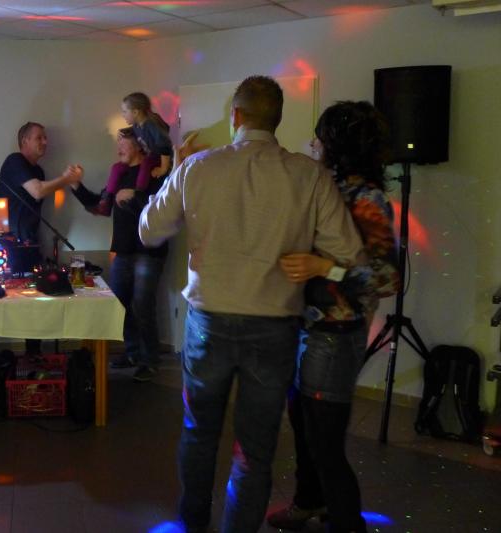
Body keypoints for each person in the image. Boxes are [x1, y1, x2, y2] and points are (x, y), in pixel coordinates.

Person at [137, 75, 365, 533]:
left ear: (236, 115)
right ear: (276, 119)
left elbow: (149, 230)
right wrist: (319, 263)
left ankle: (193, 523)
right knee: (255, 450)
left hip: (208, 323)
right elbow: (351, 255)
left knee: (199, 432)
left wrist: (176, 172)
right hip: (275, 327)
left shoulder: (198, 167)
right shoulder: (309, 174)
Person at [267, 101, 401, 533]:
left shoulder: (367, 198)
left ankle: (346, 523)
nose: (312, 144)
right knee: (304, 429)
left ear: (338, 145)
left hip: (336, 334)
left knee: (325, 443)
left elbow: (387, 278)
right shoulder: (328, 187)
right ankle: (309, 503)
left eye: (320, 137)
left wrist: (326, 267)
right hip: (307, 326)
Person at [0, 122, 81, 374]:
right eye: (39, 137)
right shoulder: (14, 161)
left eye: (45, 137)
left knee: (35, 299)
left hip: (29, 244)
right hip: (4, 245)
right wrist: (66, 179)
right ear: (25, 141)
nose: (45, 142)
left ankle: (33, 352)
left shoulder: (37, 169)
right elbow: (37, 191)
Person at [70, 127, 168, 382]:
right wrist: (76, 185)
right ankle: (133, 353)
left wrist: (135, 196)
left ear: (139, 144)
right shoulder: (120, 174)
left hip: (149, 251)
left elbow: (161, 209)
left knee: (143, 307)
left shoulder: (155, 173)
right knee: (119, 305)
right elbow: (101, 206)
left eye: (122, 143)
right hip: (123, 251)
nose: (118, 148)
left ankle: (150, 361)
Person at [93, 92, 172, 216]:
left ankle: (138, 194)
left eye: (125, 111)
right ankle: (107, 202)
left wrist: (164, 168)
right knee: (116, 167)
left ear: (135, 112)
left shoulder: (151, 125)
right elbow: (134, 130)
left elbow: (164, 144)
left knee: (146, 162)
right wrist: (121, 131)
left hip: (160, 158)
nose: (122, 115)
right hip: (150, 157)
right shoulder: (137, 125)